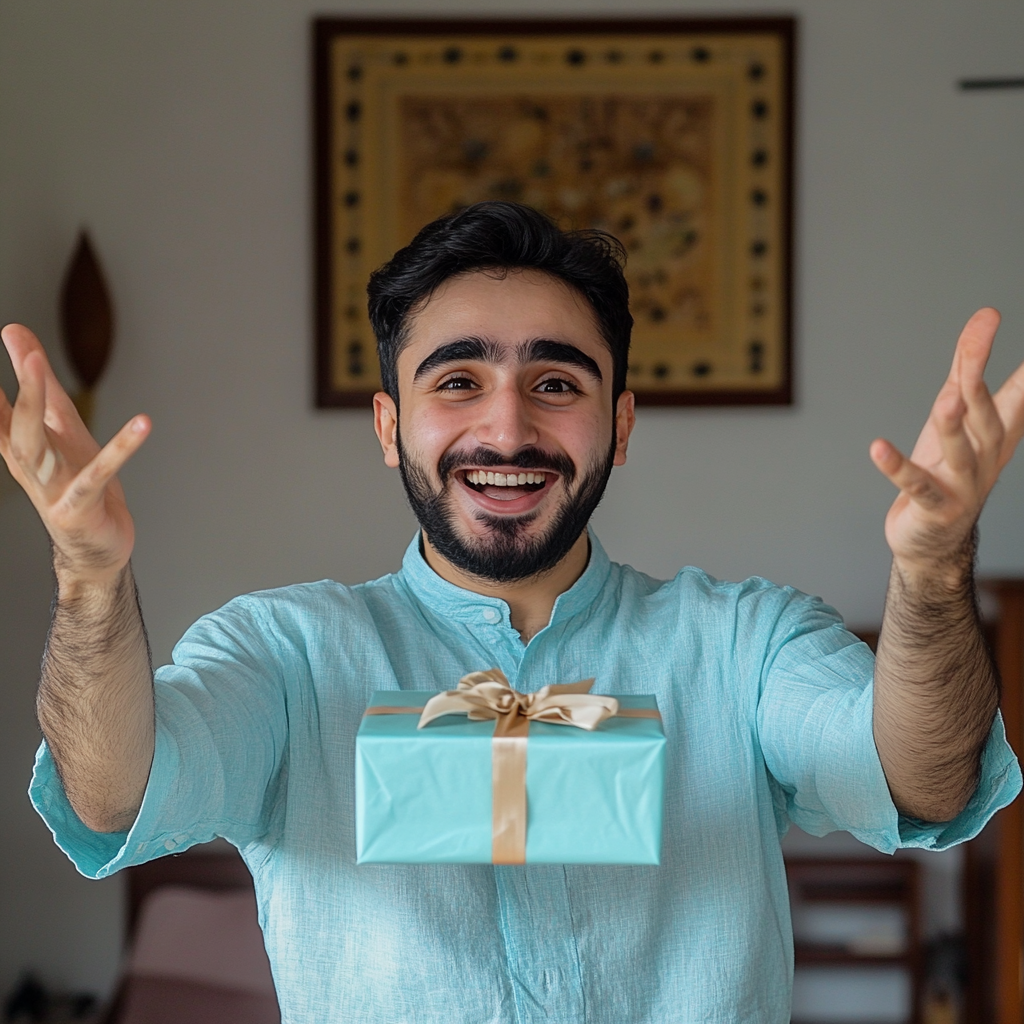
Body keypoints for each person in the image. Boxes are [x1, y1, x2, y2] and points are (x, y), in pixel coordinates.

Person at [2, 201, 1023, 1023]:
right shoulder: (282, 654)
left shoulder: (746, 642)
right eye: (457, 380)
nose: (506, 425)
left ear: (618, 424)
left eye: (555, 381)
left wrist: (934, 571)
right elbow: (110, 792)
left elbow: (922, 778)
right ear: (390, 425)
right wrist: (90, 582)